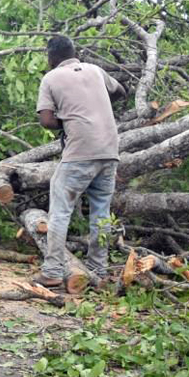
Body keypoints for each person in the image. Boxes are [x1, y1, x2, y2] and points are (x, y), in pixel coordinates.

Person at [31, 35, 126, 287]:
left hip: (80, 152)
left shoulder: (50, 78)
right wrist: (96, 107)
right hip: (109, 150)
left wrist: (70, 118)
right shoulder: (96, 70)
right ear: (74, 52)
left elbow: (47, 121)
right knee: (101, 212)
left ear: (50, 56)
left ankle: (51, 271)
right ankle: (98, 267)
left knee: (61, 210)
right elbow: (121, 92)